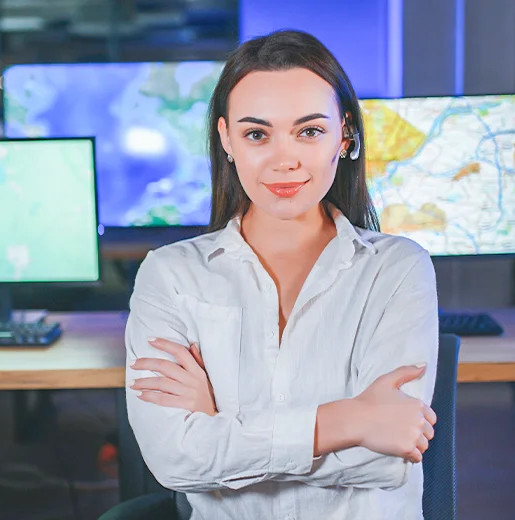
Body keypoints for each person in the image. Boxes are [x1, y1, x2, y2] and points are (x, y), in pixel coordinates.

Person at [124, 29, 439, 520]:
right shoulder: (171, 274)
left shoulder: (398, 268)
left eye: (309, 131)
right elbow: (174, 459)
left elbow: (387, 454)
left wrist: (221, 429)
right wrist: (351, 419)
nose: (284, 159)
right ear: (227, 139)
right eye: (257, 134)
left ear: (345, 134)